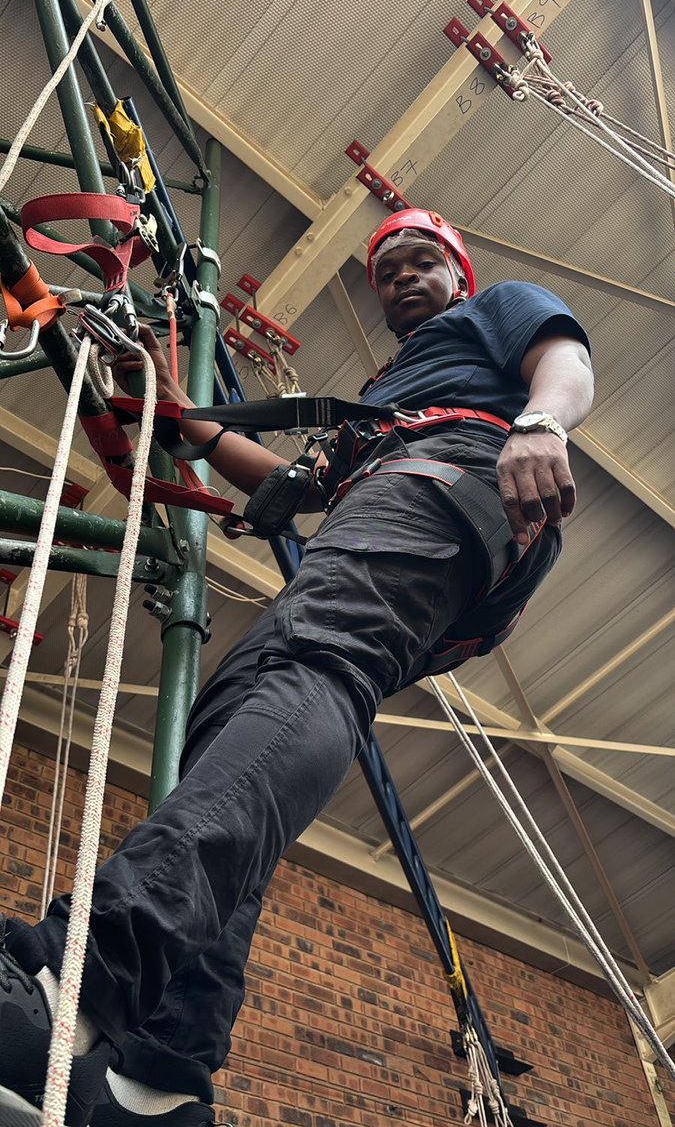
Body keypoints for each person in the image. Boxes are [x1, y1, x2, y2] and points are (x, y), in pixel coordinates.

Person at [0, 208, 593, 1127]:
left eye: (420, 260)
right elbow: (280, 482)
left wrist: (543, 424)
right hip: (403, 504)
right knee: (235, 728)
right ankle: (156, 1083)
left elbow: (566, 363)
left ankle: (81, 971)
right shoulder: (383, 396)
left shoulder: (496, 317)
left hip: (453, 480)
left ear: (461, 275)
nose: (400, 275)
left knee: (313, 664)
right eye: (385, 266)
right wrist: (168, 399)